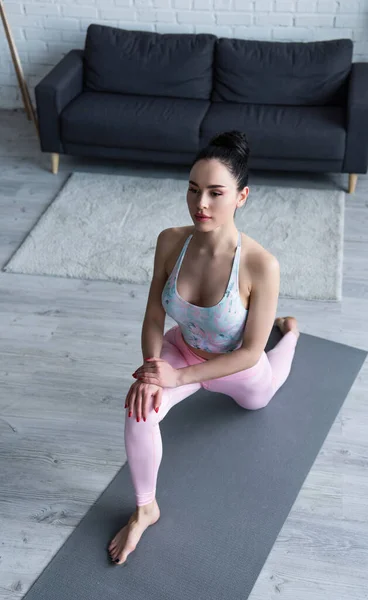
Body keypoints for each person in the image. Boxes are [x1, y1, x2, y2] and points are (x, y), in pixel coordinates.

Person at [108, 130, 300, 565]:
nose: (202, 204)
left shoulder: (261, 264)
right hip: (185, 346)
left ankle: (290, 333)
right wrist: (154, 367)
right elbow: (155, 312)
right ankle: (145, 510)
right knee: (139, 408)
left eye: (216, 193)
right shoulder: (171, 240)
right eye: (194, 190)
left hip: (238, 366)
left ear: (242, 197)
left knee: (266, 389)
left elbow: (250, 354)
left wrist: (178, 378)